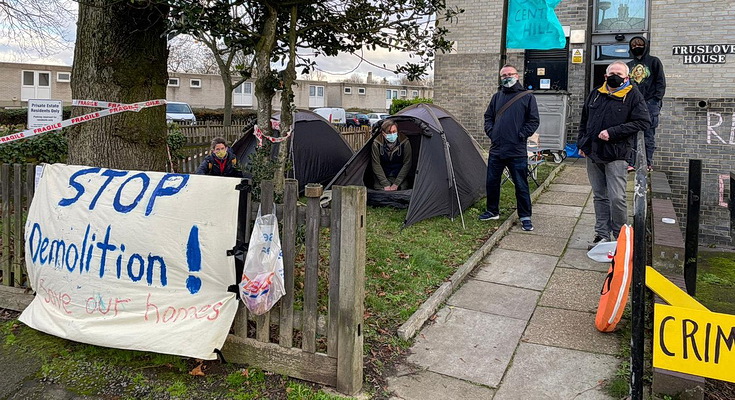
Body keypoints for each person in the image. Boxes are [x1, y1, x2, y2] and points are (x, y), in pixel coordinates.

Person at [577, 61, 650, 248]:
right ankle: (602, 234)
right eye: (611, 73)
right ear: (605, 76)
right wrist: (582, 143)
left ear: (627, 77)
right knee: (600, 195)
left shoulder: (633, 95)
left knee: (617, 197)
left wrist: (613, 132)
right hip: (594, 152)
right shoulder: (596, 93)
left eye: (618, 73)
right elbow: (585, 120)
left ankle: (620, 237)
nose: (614, 76)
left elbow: (643, 122)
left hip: (617, 154)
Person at [480, 64, 539, 232]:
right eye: (503, 75)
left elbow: (533, 120)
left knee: (521, 185)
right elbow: (488, 117)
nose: (507, 77)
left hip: (517, 150)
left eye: (509, 74)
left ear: (517, 75)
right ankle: (492, 211)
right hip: (497, 149)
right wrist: (492, 133)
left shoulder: (527, 97)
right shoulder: (496, 97)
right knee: (492, 182)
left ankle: (525, 216)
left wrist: (520, 135)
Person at [627, 36, 666, 172]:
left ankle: (647, 163)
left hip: (650, 103)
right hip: (633, 104)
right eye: (633, 45)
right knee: (631, 133)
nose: (636, 46)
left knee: (648, 134)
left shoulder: (654, 61)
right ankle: (631, 163)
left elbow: (661, 82)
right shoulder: (628, 65)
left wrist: (656, 99)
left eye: (639, 44)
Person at [371, 119, 412, 191]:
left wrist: (396, 183)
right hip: (382, 176)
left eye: (394, 132)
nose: (392, 134)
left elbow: (407, 163)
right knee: (379, 190)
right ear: (383, 133)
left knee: (402, 189)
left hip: (399, 175)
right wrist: (385, 184)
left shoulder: (405, 142)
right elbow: (376, 164)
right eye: (389, 132)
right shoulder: (376, 143)